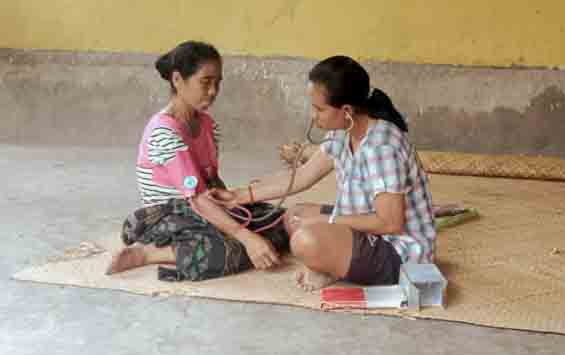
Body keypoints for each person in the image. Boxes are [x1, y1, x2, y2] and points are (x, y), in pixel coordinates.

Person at [211, 55, 436, 290]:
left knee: (305, 240)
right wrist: (240, 195)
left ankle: (333, 263)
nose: (313, 116)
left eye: (319, 109)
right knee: (294, 215)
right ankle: (335, 265)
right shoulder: (344, 131)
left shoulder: (381, 149)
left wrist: (327, 221)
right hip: (369, 226)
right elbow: (302, 176)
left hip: (400, 254)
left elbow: (390, 223)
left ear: (346, 110)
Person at [106, 40, 287, 281]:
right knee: (222, 252)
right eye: (205, 82)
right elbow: (197, 199)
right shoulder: (164, 132)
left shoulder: (207, 124)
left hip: (203, 207)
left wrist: (238, 209)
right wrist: (245, 236)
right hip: (170, 216)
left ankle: (221, 240)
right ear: (178, 80)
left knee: (281, 223)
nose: (213, 91)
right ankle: (148, 253)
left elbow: (211, 182)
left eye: (217, 83)